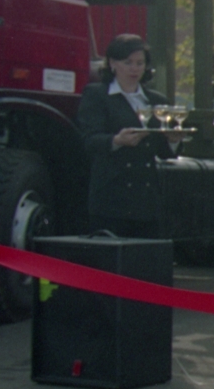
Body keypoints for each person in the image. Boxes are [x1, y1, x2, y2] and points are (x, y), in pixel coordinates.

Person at [76, 34, 182, 238]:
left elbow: (164, 152)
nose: (134, 69)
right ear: (112, 63)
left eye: (139, 63)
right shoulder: (97, 95)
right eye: (128, 63)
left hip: (147, 200)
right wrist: (116, 141)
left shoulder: (156, 101)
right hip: (111, 198)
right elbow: (88, 140)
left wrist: (173, 141)